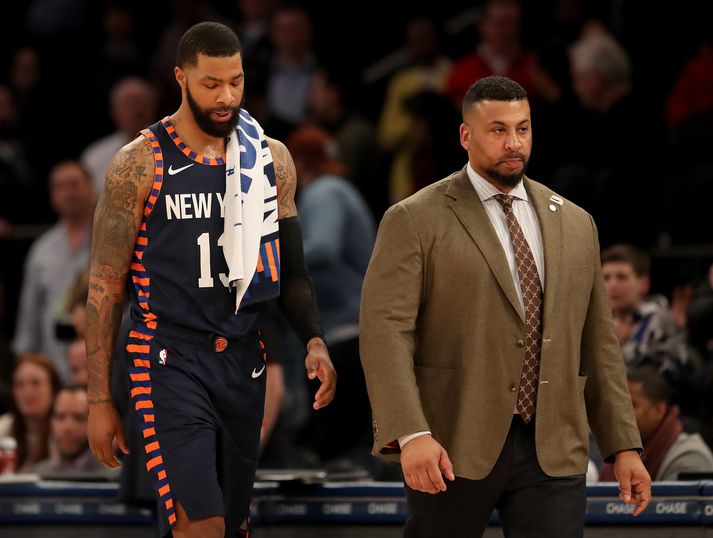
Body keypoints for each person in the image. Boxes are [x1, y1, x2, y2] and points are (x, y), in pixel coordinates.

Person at [359, 75, 651, 537]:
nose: (513, 143)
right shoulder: (414, 218)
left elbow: (598, 342)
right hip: (451, 441)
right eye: (498, 130)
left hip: (554, 445)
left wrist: (624, 446)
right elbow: (385, 334)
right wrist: (410, 433)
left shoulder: (577, 223)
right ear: (465, 135)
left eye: (523, 128)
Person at [85, 22, 336, 538]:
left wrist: (314, 339)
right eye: (211, 84)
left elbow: (291, 271)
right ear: (180, 78)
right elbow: (105, 286)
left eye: (236, 82)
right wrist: (97, 400)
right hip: (168, 358)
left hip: (244, 357)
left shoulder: (270, 158)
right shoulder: (139, 163)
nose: (227, 97)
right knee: (203, 525)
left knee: (232, 525)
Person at [12, 160, 95, 383]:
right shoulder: (42, 250)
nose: (68, 193)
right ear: (52, 196)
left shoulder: (111, 241)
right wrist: (26, 363)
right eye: (60, 186)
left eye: (74, 184)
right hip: (54, 368)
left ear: (92, 188)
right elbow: (29, 315)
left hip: (101, 364)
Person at [600, 367, 713, 481]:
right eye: (618, 405)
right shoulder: (616, 453)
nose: (621, 413)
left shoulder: (690, 456)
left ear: (659, 410)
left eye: (631, 405)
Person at [601, 243, 689, 375]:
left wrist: (620, 348)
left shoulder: (659, 319)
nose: (612, 285)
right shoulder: (596, 323)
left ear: (643, 283)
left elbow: (665, 376)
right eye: (606, 278)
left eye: (621, 277)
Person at [35, 386, 116, 477]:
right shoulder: (39, 475)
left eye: (79, 418)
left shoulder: (116, 478)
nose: (68, 427)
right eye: (60, 417)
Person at [0, 354, 61, 473]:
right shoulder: (4, 426)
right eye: (20, 384)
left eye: (36, 383)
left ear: (53, 389)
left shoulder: (64, 428)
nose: (27, 392)